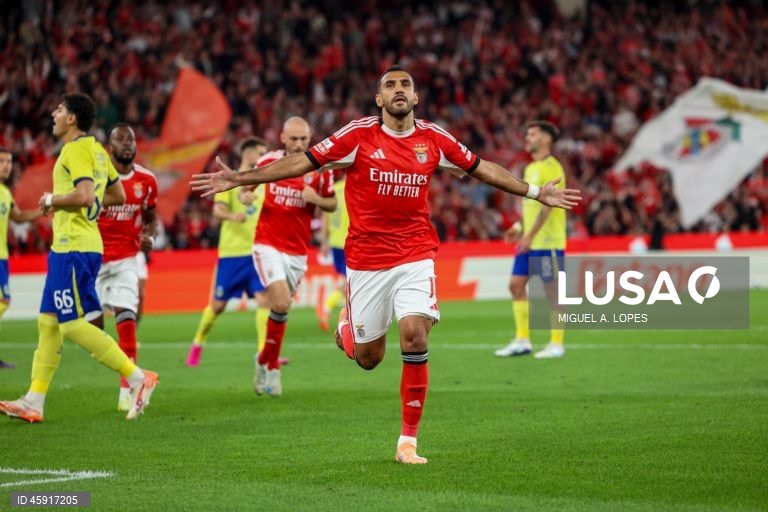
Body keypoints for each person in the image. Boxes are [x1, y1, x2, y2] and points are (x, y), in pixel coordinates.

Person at [191, 66, 580, 463]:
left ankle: (407, 442)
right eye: (390, 85)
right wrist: (241, 178)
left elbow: (482, 169)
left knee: (415, 334)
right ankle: (347, 325)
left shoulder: (434, 138)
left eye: (405, 85)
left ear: (415, 98)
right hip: (366, 261)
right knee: (369, 358)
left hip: (415, 253)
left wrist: (535, 193)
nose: (398, 90)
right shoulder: (358, 135)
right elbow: (302, 162)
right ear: (379, 100)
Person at [0, 93, 159, 423]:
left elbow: (86, 196)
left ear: (71, 118)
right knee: (47, 323)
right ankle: (35, 400)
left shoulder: (75, 150)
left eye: (59, 109)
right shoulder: (97, 153)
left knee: (71, 325)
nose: (54, 114)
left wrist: (52, 200)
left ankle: (137, 378)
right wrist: (90, 199)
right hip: (70, 247)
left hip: (76, 247)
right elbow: (116, 193)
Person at [243, 117, 336, 396]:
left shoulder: (320, 169)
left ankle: (264, 361)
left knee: (282, 309)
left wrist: (316, 199)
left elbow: (332, 202)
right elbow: (246, 188)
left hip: (297, 251)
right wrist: (245, 197)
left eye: (303, 139)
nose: (298, 144)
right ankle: (273, 369)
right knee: (281, 302)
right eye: (293, 139)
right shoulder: (269, 162)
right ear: (282, 138)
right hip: (267, 243)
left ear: (310, 139)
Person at [186, 136, 270, 368]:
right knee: (218, 306)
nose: (263, 157)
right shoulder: (229, 179)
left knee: (265, 301)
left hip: (256, 252)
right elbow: (217, 211)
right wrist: (234, 216)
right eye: (260, 152)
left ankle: (264, 355)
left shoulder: (262, 182)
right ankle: (198, 341)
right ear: (248, 153)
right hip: (232, 253)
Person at [94, 123, 159, 410]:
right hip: (92, 258)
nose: (127, 144)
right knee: (90, 330)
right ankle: (127, 373)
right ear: (110, 148)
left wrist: (149, 236)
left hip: (126, 258)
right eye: (120, 140)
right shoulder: (95, 178)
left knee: (127, 319)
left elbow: (151, 217)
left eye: (130, 139)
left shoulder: (146, 180)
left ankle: (128, 392)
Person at [495, 121, 568, 359]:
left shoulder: (553, 167)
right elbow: (531, 206)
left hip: (547, 242)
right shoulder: (530, 168)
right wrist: (518, 227)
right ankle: (522, 340)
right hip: (529, 240)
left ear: (546, 139)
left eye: (533, 134)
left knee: (552, 292)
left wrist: (529, 235)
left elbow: (547, 209)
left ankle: (557, 344)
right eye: (527, 134)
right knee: (515, 286)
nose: (527, 137)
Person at [0, 148, 45, 370]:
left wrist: (43, 211)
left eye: (8, 161)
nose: (6, 165)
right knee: (3, 302)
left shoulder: (5, 193)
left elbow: (17, 218)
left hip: (3, 258)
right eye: (2, 161)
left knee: (3, 302)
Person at [315, 169, 349, 331]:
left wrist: (324, 240)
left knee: (348, 281)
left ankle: (348, 314)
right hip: (350, 242)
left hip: (335, 241)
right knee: (349, 282)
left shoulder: (335, 188)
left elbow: (325, 214)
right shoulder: (357, 188)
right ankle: (326, 307)